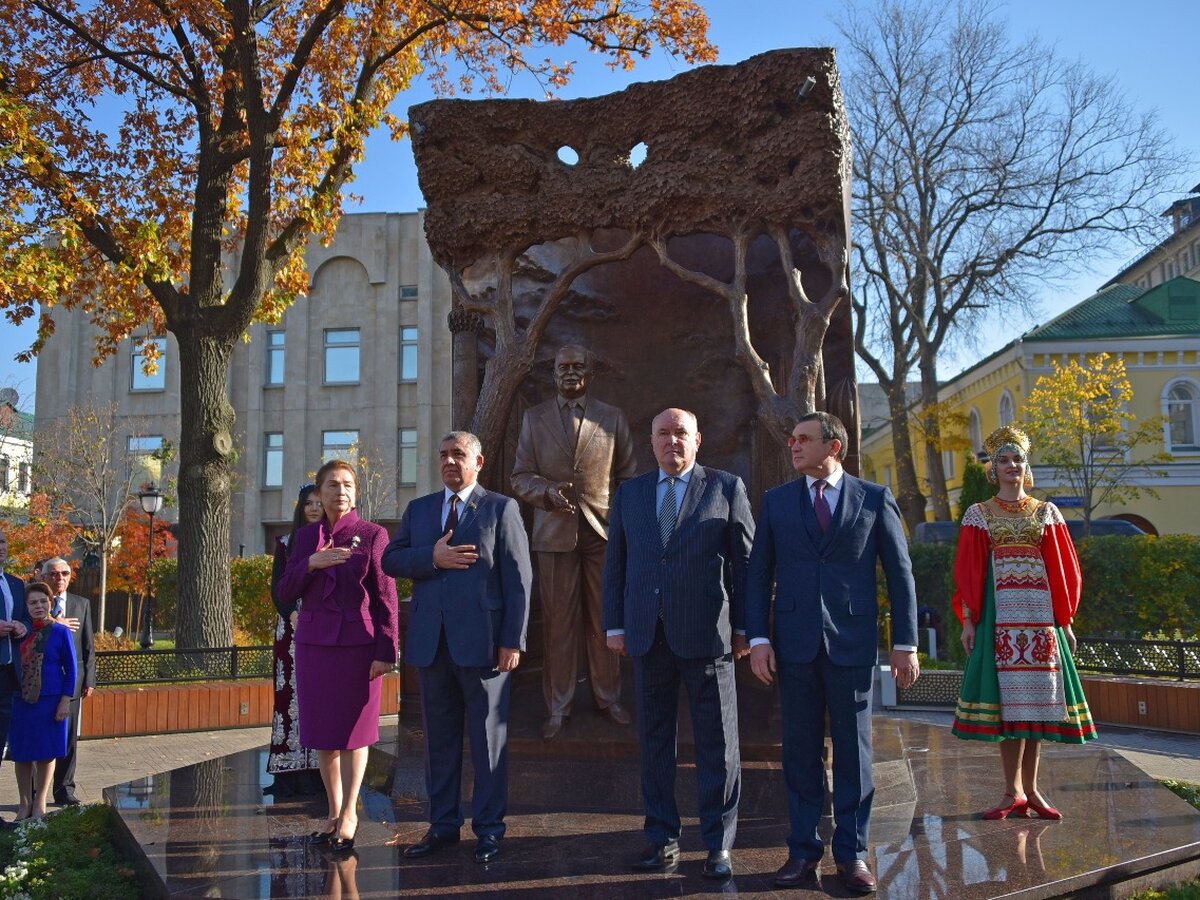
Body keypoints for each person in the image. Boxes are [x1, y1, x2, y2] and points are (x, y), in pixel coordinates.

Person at [746, 411, 919, 894]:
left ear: (834, 446)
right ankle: (802, 852)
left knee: (854, 754)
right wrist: (758, 638)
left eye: (804, 439)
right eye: (792, 439)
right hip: (794, 647)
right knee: (799, 753)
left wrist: (905, 644)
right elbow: (759, 575)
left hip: (853, 645)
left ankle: (853, 854)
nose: (793, 446)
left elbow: (900, 575)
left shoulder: (874, 498)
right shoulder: (777, 503)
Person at [603, 408, 753, 882]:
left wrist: (748, 629)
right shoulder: (630, 494)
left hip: (709, 637)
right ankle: (662, 838)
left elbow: (745, 566)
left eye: (681, 433)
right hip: (648, 637)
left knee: (718, 745)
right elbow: (616, 567)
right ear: (651, 442)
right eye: (663, 434)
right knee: (654, 743)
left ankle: (718, 845)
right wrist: (615, 626)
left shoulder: (726, 488)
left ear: (697, 439)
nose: (672, 441)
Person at [383, 431, 532, 865]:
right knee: (438, 744)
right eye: (444, 454)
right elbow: (391, 560)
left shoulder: (502, 509)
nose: (450, 461)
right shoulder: (420, 510)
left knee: (488, 744)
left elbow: (519, 580)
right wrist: (431, 558)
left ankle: (488, 830)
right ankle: (443, 826)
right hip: (432, 648)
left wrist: (512, 640)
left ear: (479, 461)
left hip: (485, 648)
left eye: (459, 454)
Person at [951, 425, 1097, 820]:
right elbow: (968, 570)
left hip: (1039, 617)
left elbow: (1064, 568)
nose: (1012, 465)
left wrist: (1064, 620)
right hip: (999, 616)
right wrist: (969, 620)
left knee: (1037, 701)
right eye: (1004, 459)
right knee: (1006, 703)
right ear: (992, 469)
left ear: (1025, 465)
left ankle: (1031, 789)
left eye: (1017, 459)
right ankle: (1011, 791)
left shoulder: (1046, 512)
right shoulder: (979, 514)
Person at [511, 344, 637, 739]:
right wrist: (546, 493)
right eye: (562, 366)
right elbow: (520, 476)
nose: (569, 372)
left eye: (577, 365)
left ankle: (608, 697)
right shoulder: (535, 419)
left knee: (605, 621)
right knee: (559, 626)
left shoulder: (612, 418)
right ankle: (558, 705)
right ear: (553, 373)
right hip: (553, 534)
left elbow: (628, 480)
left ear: (590, 371)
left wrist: (620, 525)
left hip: (602, 533)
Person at [276, 459, 399, 854]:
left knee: (354, 735)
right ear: (320, 492)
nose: (340, 491)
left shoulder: (373, 534)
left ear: (355, 492)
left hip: (358, 648)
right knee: (323, 737)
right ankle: (332, 811)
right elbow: (283, 590)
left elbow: (386, 598)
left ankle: (350, 812)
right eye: (332, 484)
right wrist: (311, 563)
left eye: (348, 484)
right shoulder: (306, 538)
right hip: (313, 645)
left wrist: (386, 649)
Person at [265, 484, 324, 798]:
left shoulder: (334, 543)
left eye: (319, 503)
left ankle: (319, 772)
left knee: (319, 696)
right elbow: (277, 587)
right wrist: (290, 614)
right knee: (288, 696)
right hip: (290, 629)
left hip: (323, 627)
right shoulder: (286, 544)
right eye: (308, 503)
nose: (314, 509)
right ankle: (288, 771)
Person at [9, 581, 76, 822]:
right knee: (22, 753)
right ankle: (24, 804)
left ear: (51, 602)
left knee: (46, 753)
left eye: (43, 601)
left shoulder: (60, 631)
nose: (39, 606)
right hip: (21, 701)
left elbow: (71, 669)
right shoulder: (19, 633)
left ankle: (40, 804)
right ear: (25, 606)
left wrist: (65, 701)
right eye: (33, 602)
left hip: (51, 701)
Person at [39, 557, 95, 806]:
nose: (59, 578)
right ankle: (34, 792)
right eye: (53, 574)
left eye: (64, 573)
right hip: (42, 682)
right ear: (43, 577)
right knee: (41, 736)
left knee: (68, 738)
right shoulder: (37, 603)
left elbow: (88, 646)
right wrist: (54, 622)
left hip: (72, 681)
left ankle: (64, 789)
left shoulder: (80, 604)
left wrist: (90, 679)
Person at [0, 529, 31, 823]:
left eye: (3, 542)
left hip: (11, 675)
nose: (1, 548)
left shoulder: (15, 584)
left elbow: (25, 617)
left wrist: (22, 626)